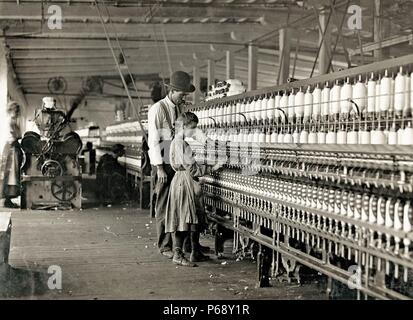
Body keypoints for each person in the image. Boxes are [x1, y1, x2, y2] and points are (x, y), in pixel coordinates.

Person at [148, 71, 202, 259]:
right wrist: (160, 168)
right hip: (163, 161)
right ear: (172, 91)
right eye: (182, 94)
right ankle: (165, 246)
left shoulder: (179, 109)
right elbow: (153, 141)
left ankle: (186, 246)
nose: (184, 97)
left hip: (176, 160)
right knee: (164, 204)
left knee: (179, 205)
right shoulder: (157, 109)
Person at [165, 112, 222, 267]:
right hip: (185, 182)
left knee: (191, 217)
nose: (194, 131)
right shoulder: (181, 144)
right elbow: (192, 168)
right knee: (184, 218)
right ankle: (178, 254)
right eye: (193, 128)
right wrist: (212, 167)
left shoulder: (175, 142)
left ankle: (195, 252)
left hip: (181, 180)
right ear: (183, 127)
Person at [0, 101, 23, 208]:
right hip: (11, 148)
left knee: (13, 174)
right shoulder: (9, 121)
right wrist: (17, 136)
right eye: (16, 111)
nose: (17, 113)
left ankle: (8, 199)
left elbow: (18, 134)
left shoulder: (13, 121)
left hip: (14, 147)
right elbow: (14, 136)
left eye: (18, 111)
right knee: (10, 174)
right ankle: (7, 199)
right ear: (11, 110)